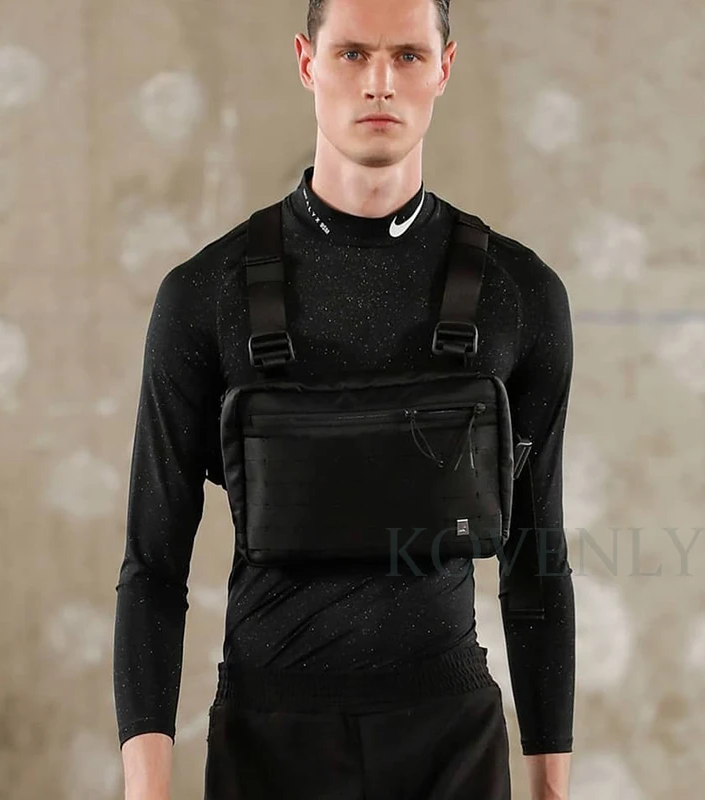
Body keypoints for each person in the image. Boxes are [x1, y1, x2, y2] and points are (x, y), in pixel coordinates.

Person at [112, 0, 576, 798]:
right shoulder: (205, 295)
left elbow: (537, 565)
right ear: (307, 62)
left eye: (407, 56)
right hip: (268, 746)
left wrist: (551, 790)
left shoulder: (520, 295)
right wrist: (146, 792)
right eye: (353, 53)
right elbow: (153, 567)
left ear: (445, 68)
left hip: (451, 750)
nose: (379, 82)